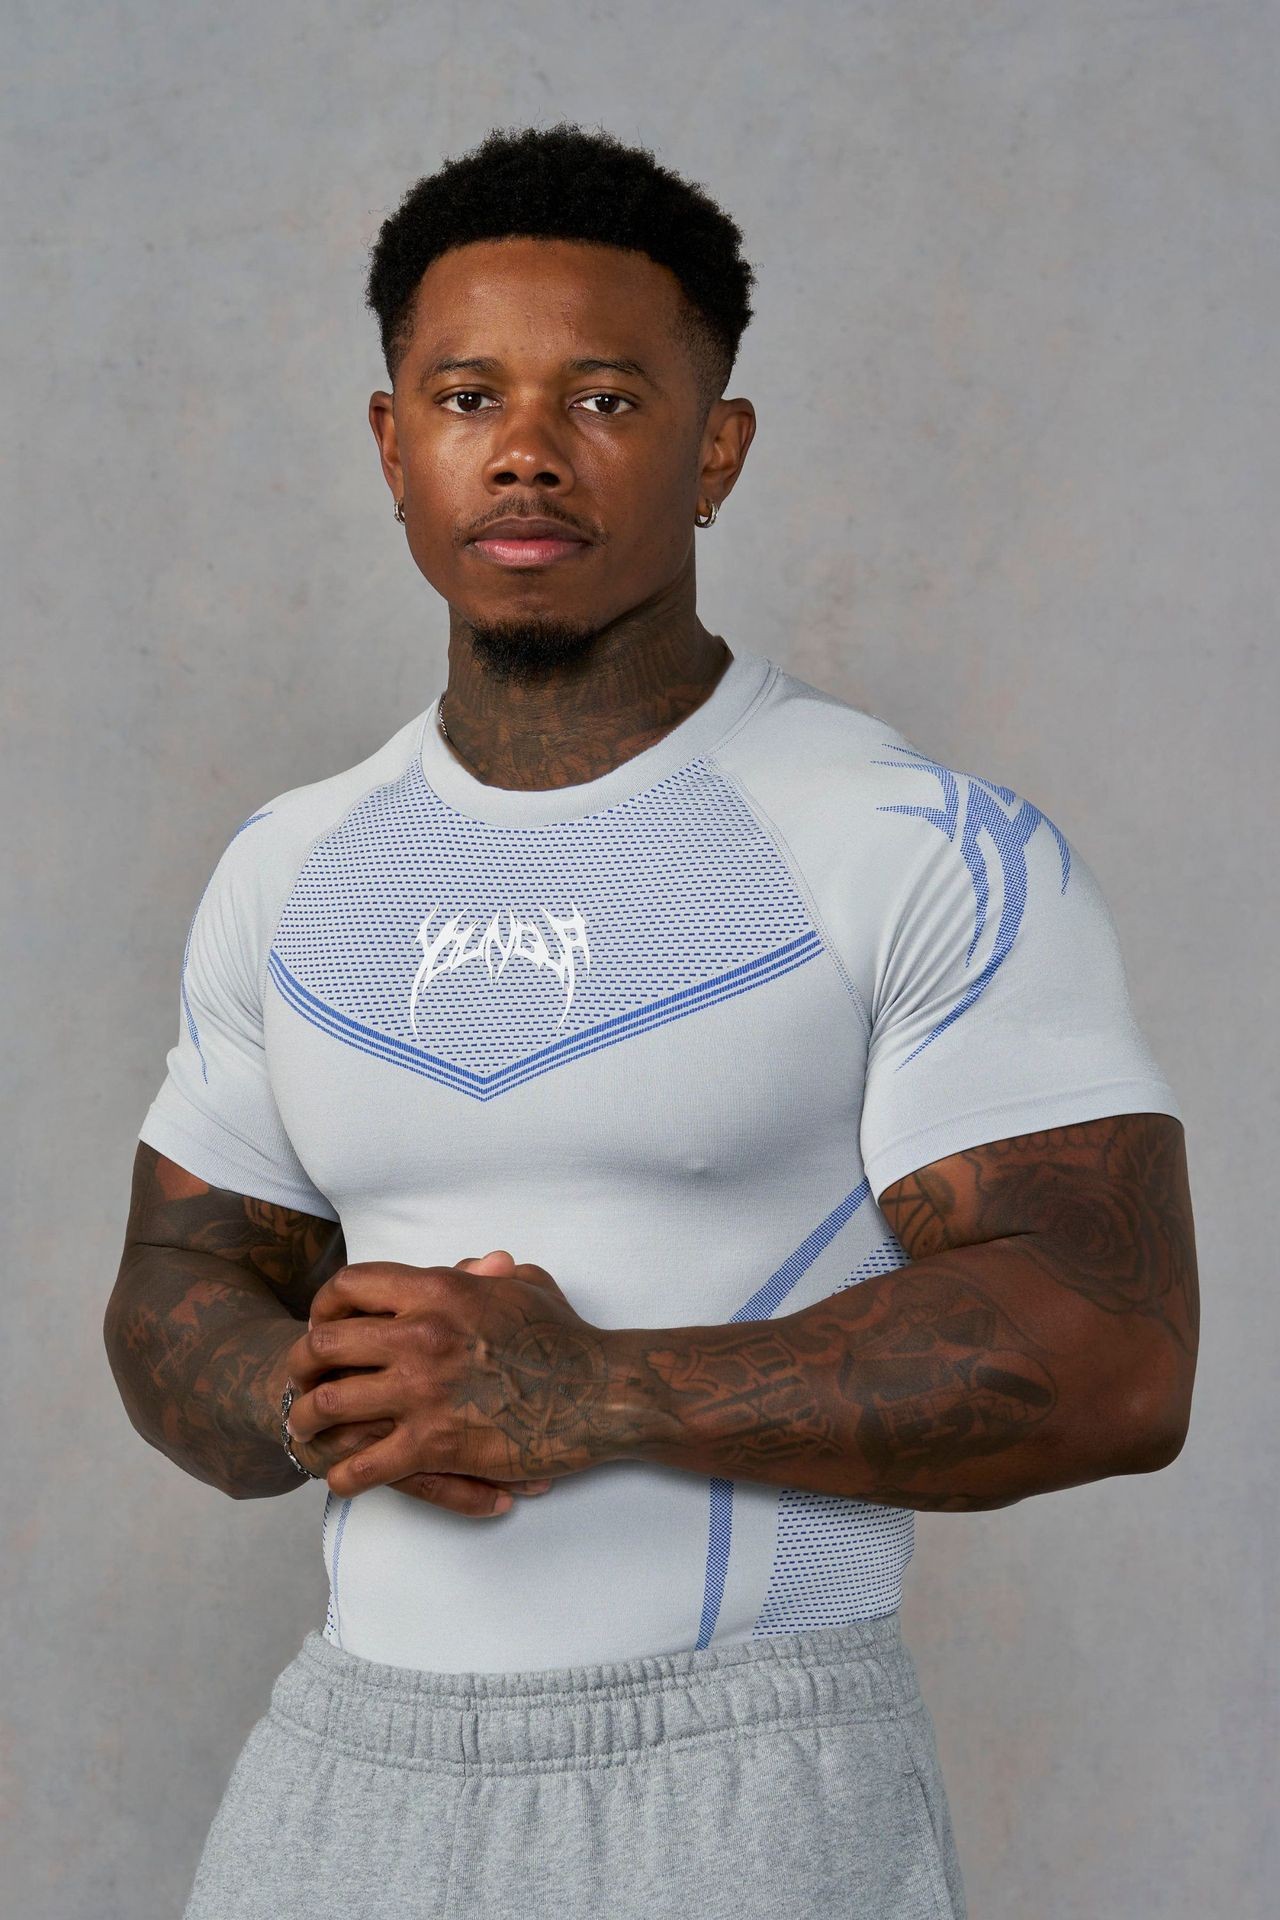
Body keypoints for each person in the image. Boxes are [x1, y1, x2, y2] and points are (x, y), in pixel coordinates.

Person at [104, 121, 1199, 1920]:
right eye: (467, 397)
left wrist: (592, 1390)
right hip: (346, 1775)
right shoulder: (293, 867)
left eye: (604, 399)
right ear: (392, 445)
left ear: (718, 450)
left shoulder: (913, 844)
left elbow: (1117, 1350)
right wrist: (309, 1395)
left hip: (747, 1780)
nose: (525, 450)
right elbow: (178, 1278)